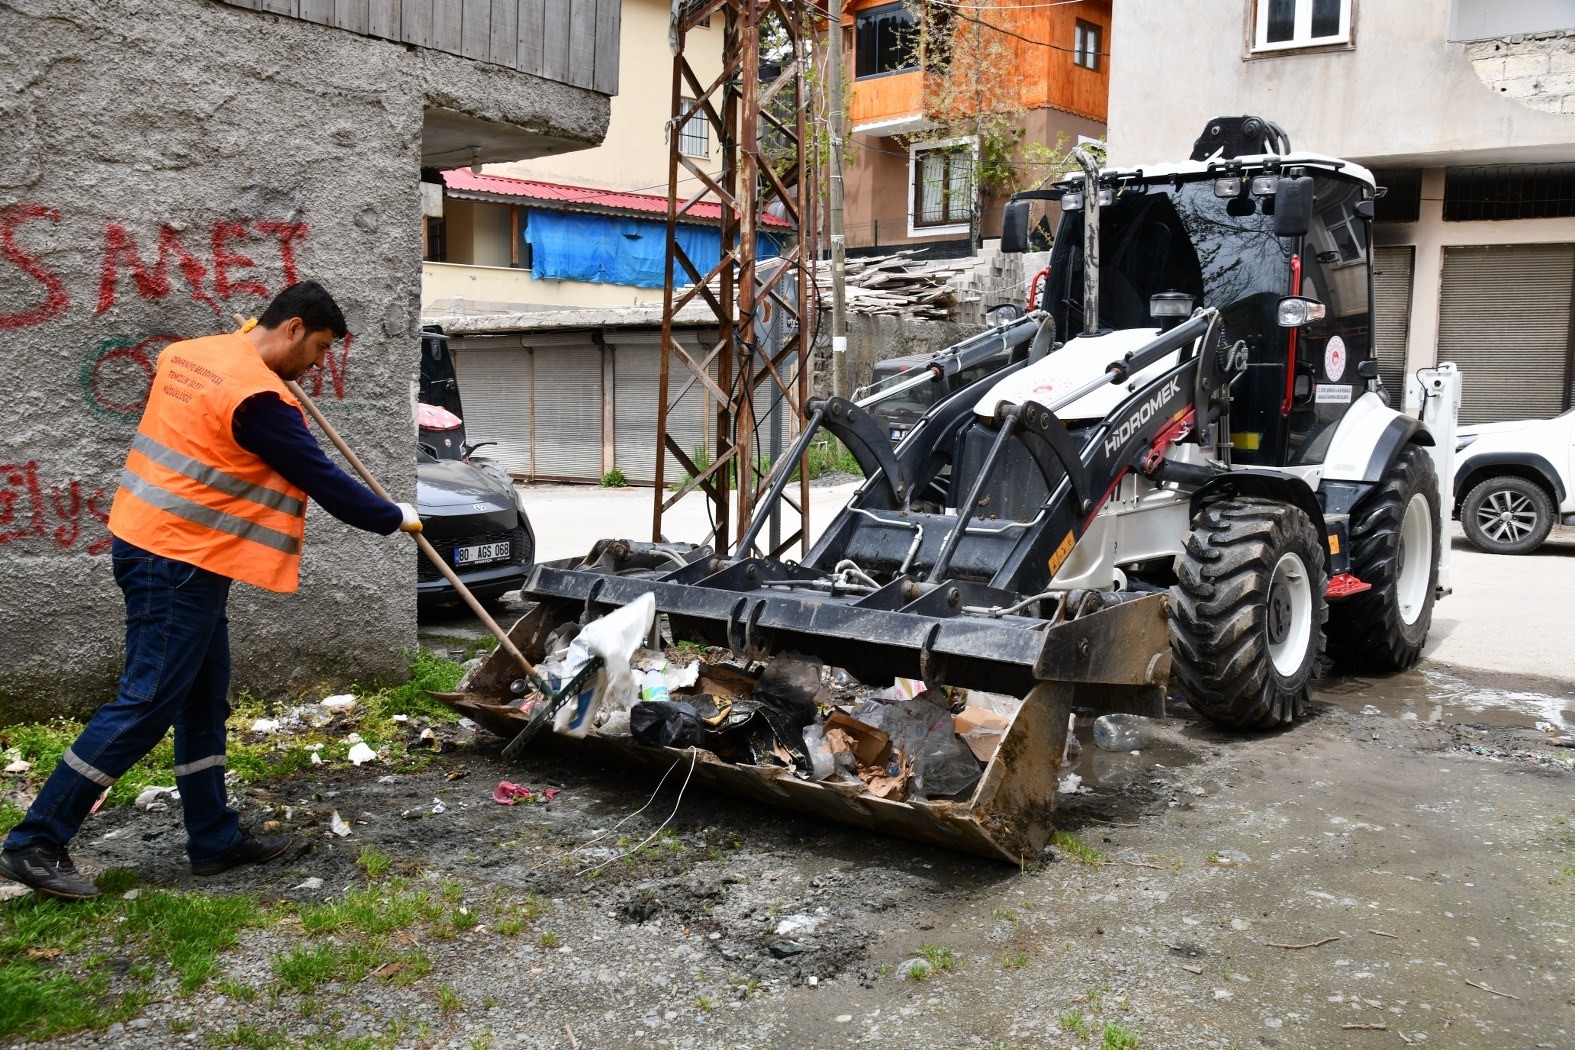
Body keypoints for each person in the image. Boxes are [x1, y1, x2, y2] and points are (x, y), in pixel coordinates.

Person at [0, 281, 422, 900]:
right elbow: (323, 479)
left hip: (163, 545)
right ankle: (34, 842)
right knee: (146, 702)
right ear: (293, 329)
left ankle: (213, 840)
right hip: (177, 561)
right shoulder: (259, 401)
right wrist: (394, 516)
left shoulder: (192, 354)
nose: (319, 365)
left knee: (203, 703)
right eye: (321, 348)